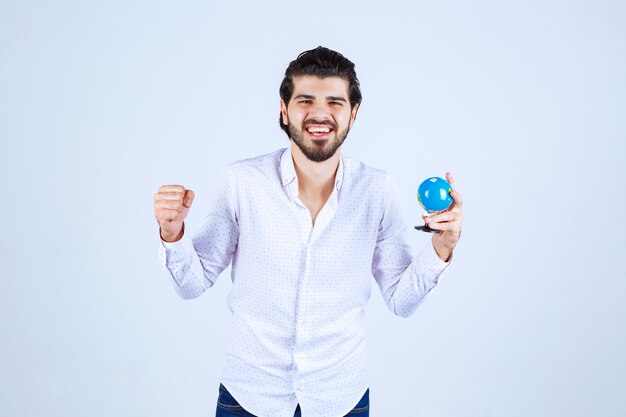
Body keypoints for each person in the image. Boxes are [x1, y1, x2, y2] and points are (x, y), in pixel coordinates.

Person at [154, 46, 463, 417]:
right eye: (305, 100)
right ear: (284, 110)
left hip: (341, 399)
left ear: (354, 113)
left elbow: (402, 300)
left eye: (335, 101)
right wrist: (172, 233)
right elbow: (192, 282)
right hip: (248, 397)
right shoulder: (241, 183)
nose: (320, 113)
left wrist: (443, 245)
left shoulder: (377, 190)